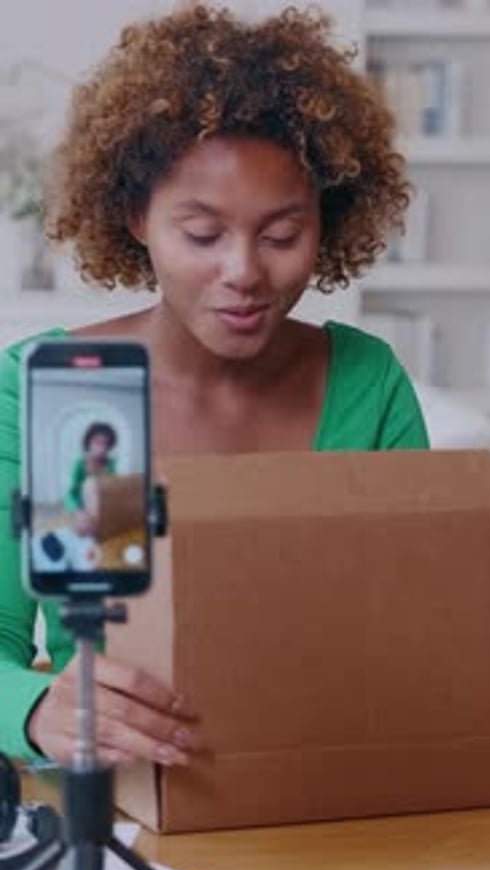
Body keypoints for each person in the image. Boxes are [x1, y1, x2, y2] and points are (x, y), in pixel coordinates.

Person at [0, 3, 429, 768]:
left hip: (324, 791)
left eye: (281, 235)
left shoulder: (366, 382)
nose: (244, 273)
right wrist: (33, 708)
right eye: (202, 234)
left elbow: (423, 630)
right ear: (136, 217)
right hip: (121, 803)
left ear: (326, 226)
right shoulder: (46, 387)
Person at [64, 422, 117, 536]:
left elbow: (112, 488)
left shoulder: (111, 463)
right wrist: (78, 510)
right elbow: (70, 494)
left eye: (106, 444)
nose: (102, 448)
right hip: (83, 508)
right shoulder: (80, 464)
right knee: (82, 534)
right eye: (97, 442)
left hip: (104, 507)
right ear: (89, 443)